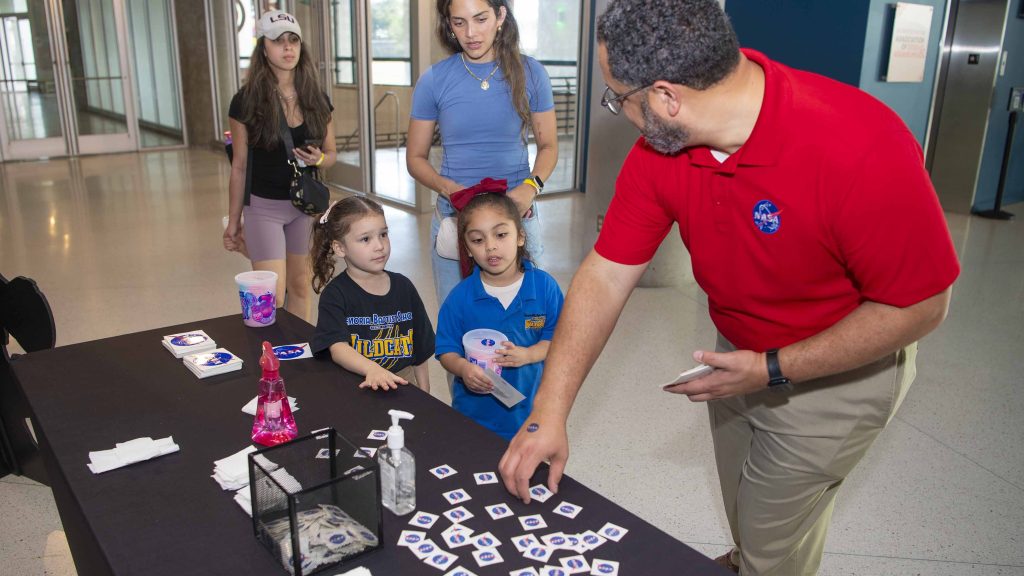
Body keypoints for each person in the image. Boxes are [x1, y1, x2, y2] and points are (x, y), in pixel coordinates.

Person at [497, 1, 961, 575]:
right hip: (737, 354)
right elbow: (606, 274)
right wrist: (550, 410)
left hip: (840, 370)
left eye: (619, 98)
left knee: (771, 543)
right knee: (747, 511)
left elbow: (920, 304)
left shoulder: (860, 143)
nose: (618, 112)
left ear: (668, 98)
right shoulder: (661, 151)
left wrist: (773, 367)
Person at [406, 0, 558, 306]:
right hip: (455, 217)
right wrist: (449, 188)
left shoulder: (532, 73)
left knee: (526, 320)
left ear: (500, 15)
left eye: (480, 19)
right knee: (458, 323)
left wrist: (530, 189)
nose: (471, 33)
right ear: (449, 25)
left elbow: (548, 146)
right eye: (459, 22)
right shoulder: (435, 80)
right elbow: (415, 158)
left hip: (517, 214)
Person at [223, 10, 336, 322]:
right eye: (278, 42)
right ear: (263, 49)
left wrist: (320, 159)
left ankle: (296, 355)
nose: (288, 48)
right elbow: (239, 167)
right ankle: (269, 362)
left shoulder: (317, 98)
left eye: (294, 41)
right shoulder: (245, 101)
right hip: (263, 207)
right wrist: (234, 222)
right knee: (270, 294)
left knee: (300, 286)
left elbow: (331, 153)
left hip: (304, 207)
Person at [435, 193, 563, 440]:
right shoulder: (459, 298)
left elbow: (558, 338)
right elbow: (446, 350)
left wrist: (528, 354)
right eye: (477, 240)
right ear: (468, 249)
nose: (490, 246)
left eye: (501, 234)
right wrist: (462, 368)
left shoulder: (544, 288)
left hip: (532, 417)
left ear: (520, 236)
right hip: (473, 419)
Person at [310, 197, 434, 392]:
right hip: (358, 385)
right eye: (366, 239)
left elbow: (420, 348)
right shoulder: (335, 294)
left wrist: (426, 393)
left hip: (403, 382)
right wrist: (373, 370)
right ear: (340, 248)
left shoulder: (404, 287)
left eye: (383, 234)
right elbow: (337, 348)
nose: (379, 246)